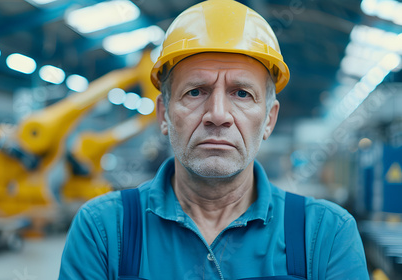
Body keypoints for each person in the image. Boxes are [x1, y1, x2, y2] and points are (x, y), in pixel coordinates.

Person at [58, 0, 369, 279]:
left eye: (242, 93)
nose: (218, 114)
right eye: (195, 92)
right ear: (163, 114)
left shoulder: (325, 236)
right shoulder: (104, 231)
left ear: (269, 120)